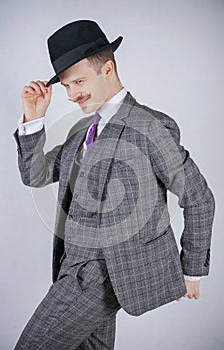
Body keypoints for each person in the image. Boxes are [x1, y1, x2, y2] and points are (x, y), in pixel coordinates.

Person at [13, 20, 215, 349]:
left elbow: (199, 198)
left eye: (79, 81)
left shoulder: (149, 125)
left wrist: (191, 270)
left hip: (102, 276)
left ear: (107, 68)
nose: (72, 93)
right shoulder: (80, 131)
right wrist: (34, 118)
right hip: (71, 266)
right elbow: (34, 175)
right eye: (65, 85)